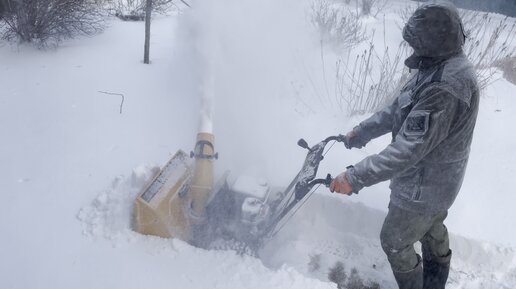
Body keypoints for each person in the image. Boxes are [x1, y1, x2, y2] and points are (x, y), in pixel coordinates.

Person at [329, 2, 479, 289]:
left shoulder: (444, 88)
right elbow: (401, 107)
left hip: (424, 187)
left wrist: (354, 177)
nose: (413, 49)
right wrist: (361, 132)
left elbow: (407, 150)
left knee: (395, 240)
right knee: (431, 228)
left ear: (434, 41)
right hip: (438, 182)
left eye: (417, 43)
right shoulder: (440, 65)